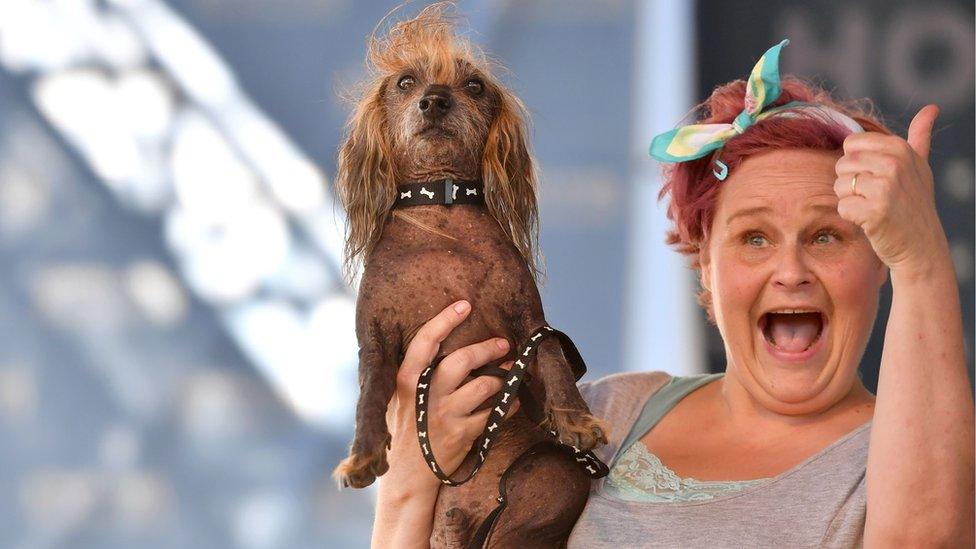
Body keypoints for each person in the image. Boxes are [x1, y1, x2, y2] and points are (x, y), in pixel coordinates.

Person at [371, 40, 974, 547]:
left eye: (825, 236)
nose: (791, 270)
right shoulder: (607, 414)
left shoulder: (924, 453)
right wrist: (408, 484)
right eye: (755, 238)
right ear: (705, 268)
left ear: (879, 260)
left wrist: (922, 259)